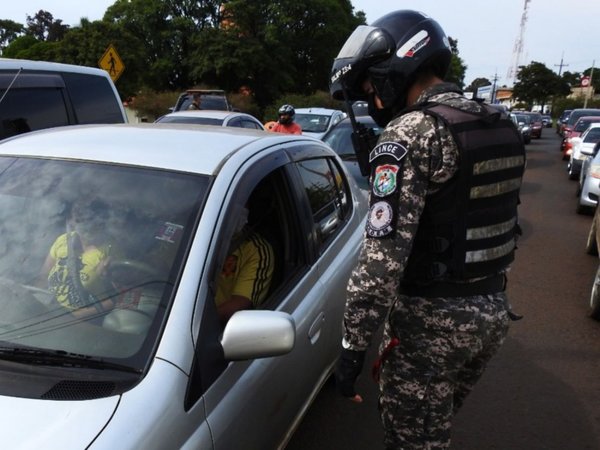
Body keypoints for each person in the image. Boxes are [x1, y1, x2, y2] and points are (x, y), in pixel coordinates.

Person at [329, 10, 526, 449]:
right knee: (431, 430)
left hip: (432, 324)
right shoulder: (498, 121)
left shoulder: (412, 133)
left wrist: (352, 347)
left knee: (412, 441)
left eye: (371, 87)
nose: (375, 102)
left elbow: (380, 263)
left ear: (396, 70)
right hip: (490, 312)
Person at [39, 199, 118, 319]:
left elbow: (119, 298)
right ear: (71, 221)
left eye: (91, 221)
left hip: (80, 323)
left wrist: (76, 316)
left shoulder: (110, 250)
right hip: (48, 312)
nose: (86, 226)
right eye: (79, 220)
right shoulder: (63, 240)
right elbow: (43, 276)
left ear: (102, 222)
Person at [215, 206, 275, 325]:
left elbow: (238, 306)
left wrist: (194, 323)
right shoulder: (190, 235)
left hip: (216, 326)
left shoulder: (257, 250)